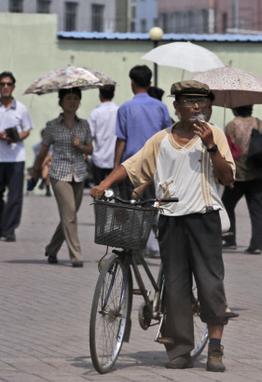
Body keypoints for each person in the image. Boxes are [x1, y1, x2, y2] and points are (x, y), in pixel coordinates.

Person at [91, 80, 235, 372]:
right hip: (169, 219)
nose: (196, 106)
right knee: (176, 288)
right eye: (189, 101)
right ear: (176, 106)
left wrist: (211, 146)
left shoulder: (215, 134)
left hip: (204, 217)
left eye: (201, 102)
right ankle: (179, 349)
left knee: (210, 284)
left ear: (208, 107)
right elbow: (132, 165)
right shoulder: (161, 139)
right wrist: (104, 183)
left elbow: (227, 177)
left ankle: (216, 348)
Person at [33, 87, 92, 267]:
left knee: (69, 216)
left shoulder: (84, 125)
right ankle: (76, 256)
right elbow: (43, 151)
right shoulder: (52, 126)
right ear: (60, 102)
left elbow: (90, 149)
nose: (72, 102)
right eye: (68, 98)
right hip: (59, 174)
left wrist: (81, 146)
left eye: (76, 98)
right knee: (70, 216)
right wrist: (36, 171)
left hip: (79, 174)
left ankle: (52, 248)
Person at [0, 72, 33, 241]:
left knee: (15, 196)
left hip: (16, 157)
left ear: (13, 87)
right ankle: (1, 225)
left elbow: (27, 130)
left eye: (9, 84)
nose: (5, 87)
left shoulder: (22, 108)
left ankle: (9, 230)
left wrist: (17, 137)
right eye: (2, 84)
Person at [114, 65, 172, 197]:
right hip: (155, 167)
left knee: (129, 209)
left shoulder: (125, 108)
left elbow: (121, 140)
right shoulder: (161, 107)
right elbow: (168, 138)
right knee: (152, 208)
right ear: (150, 83)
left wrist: (116, 166)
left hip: (130, 167)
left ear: (132, 82)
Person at [221, 105, 262, 254]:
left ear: (235, 109)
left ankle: (229, 239)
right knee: (259, 210)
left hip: (238, 175)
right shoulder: (260, 123)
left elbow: (228, 149)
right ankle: (256, 245)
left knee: (227, 205)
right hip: (259, 173)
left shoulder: (232, 125)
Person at [88, 85, 118, 185]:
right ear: (113, 95)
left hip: (98, 158)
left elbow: (89, 136)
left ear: (100, 95)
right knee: (117, 194)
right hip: (115, 158)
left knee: (98, 194)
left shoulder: (95, 113)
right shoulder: (119, 111)